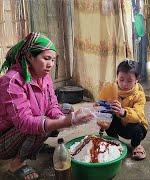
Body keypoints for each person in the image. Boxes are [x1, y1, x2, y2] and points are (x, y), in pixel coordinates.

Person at [0, 32, 94, 179]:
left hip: (24, 126)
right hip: (4, 139)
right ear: (30, 57)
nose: (51, 64)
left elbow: (52, 105)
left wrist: (65, 118)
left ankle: (34, 146)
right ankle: (16, 164)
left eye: (53, 60)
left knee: (66, 110)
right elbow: (24, 122)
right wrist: (64, 121)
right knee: (41, 122)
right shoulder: (12, 81)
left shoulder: (44, 77)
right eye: (46, 59)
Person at [99, 59, 148, 160]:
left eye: (129, 81)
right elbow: (102, 103)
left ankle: (136, 145)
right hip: (119, 125)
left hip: (134, 128)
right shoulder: (110, 89)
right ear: (117, 77)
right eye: (121, 79)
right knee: (108, 117)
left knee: (138, 128)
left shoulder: (140, 95)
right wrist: (100, 109)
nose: (125, 84)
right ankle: (114, 140)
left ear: (136, 80)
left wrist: (123, 112)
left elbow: (138, 115)